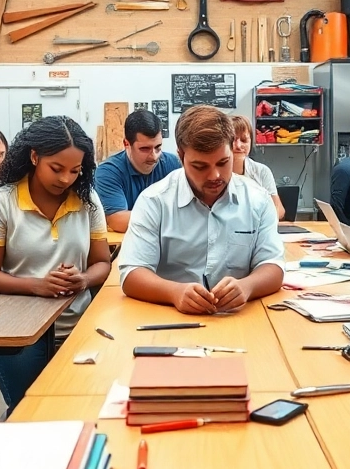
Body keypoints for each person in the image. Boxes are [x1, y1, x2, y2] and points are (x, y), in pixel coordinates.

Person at [0, 116, 112, 409]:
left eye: (75, 170)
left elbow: (102, 263)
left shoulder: (87, 200)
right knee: (28, 412)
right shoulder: (3, 203)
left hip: (76, 324)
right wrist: (37, 285)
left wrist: (84, 280)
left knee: (81, 409)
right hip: (17, 329)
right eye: (57, 168)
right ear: (34, 156)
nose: (65, 179)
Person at [120, 106, 284, 316]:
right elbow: (132, 273)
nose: (214, 175)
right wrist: (174, 292)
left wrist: (248, 286)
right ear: (181, 156)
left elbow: (273, 266)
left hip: (239, 318)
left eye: (223, 162)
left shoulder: (258, 200)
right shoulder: (154, 201)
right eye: (200, 166)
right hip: (170, 319)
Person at [93, 109, 181, 232]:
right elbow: (119, 221)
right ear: (126, 144)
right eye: (145, 149)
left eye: (158, 147)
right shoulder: (108, 172)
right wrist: (172, 218)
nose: (154, 156)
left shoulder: (175, 164)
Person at [230, 115, 286, 221]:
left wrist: (266, 222)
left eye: (244, 140)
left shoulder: (262, 171)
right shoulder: (216, 172)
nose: (238, 145)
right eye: (233, 140)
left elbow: (279, 210)